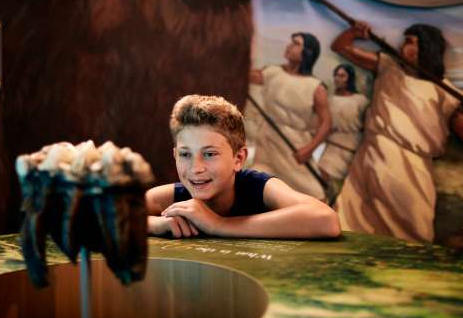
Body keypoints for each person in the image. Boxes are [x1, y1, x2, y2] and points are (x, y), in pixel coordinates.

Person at [331, 21, 463, 243]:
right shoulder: (388, 66)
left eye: (410, 42)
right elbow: (341, 47)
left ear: (426, 48)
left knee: (413, 225)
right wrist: (353, 33)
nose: (402, 46)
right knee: (357, 219)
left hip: (413, 163)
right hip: (375, 154)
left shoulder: (443, 90)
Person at [145, 94, 340, 239]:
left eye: (210, 154)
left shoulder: (258, 186)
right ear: (175, 155)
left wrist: (218, 225)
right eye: (185, 154)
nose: (196, 168)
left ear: (239, 158)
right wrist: (155, 224)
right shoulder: (170, 198)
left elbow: (326, 220)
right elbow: (115, 214)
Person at [249, 32, 331, 200]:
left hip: (294, 146)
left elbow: (326, 123)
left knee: (314, 193)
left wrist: (309, 150)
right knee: (257, 182)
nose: (289, 46)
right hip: (266, 139)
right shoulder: (272, 72)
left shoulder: (316, 87)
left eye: (295, 43)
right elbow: (245, 76)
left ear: (307, 52)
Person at [318, 63, 369, 182]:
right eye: (336, 75)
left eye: (342, 76)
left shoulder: (360, 100)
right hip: (330, 146)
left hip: (350, 148)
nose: (337, 78)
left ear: (349, 78)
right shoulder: (330, 99)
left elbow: (367, 126)